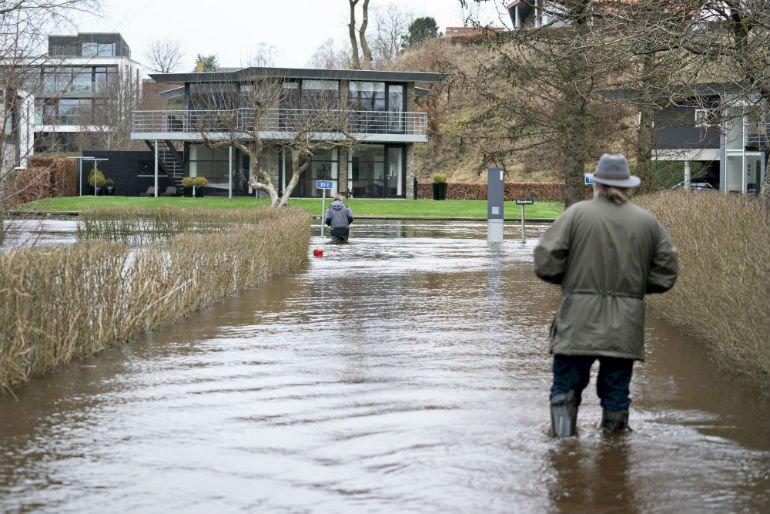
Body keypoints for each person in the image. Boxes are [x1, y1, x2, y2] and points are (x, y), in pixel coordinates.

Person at [534, 154, 678, 438]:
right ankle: (614, 456)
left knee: (565, 390)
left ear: (597, 183)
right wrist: (634, 289)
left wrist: (569, 281)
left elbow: (544, 260)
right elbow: (667, 272)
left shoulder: (576, 214)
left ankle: (564, 449)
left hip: (577, 320)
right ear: (627, 186)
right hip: (624, 326)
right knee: (616, 395)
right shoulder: (648, 222)